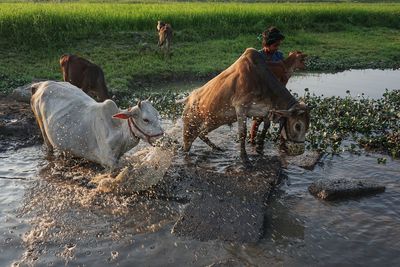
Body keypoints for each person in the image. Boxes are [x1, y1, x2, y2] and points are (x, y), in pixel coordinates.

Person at [249, 26, 286, 145]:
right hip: (261, 92)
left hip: (274, 93)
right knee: (258, 119)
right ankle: (252, 140)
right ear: (266, 45)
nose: (277, 48)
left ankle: (269, 141)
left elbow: (282, 76)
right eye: (275, 45)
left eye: (278, 45)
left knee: (272, 120)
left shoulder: (279, 56)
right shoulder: (258, 56)